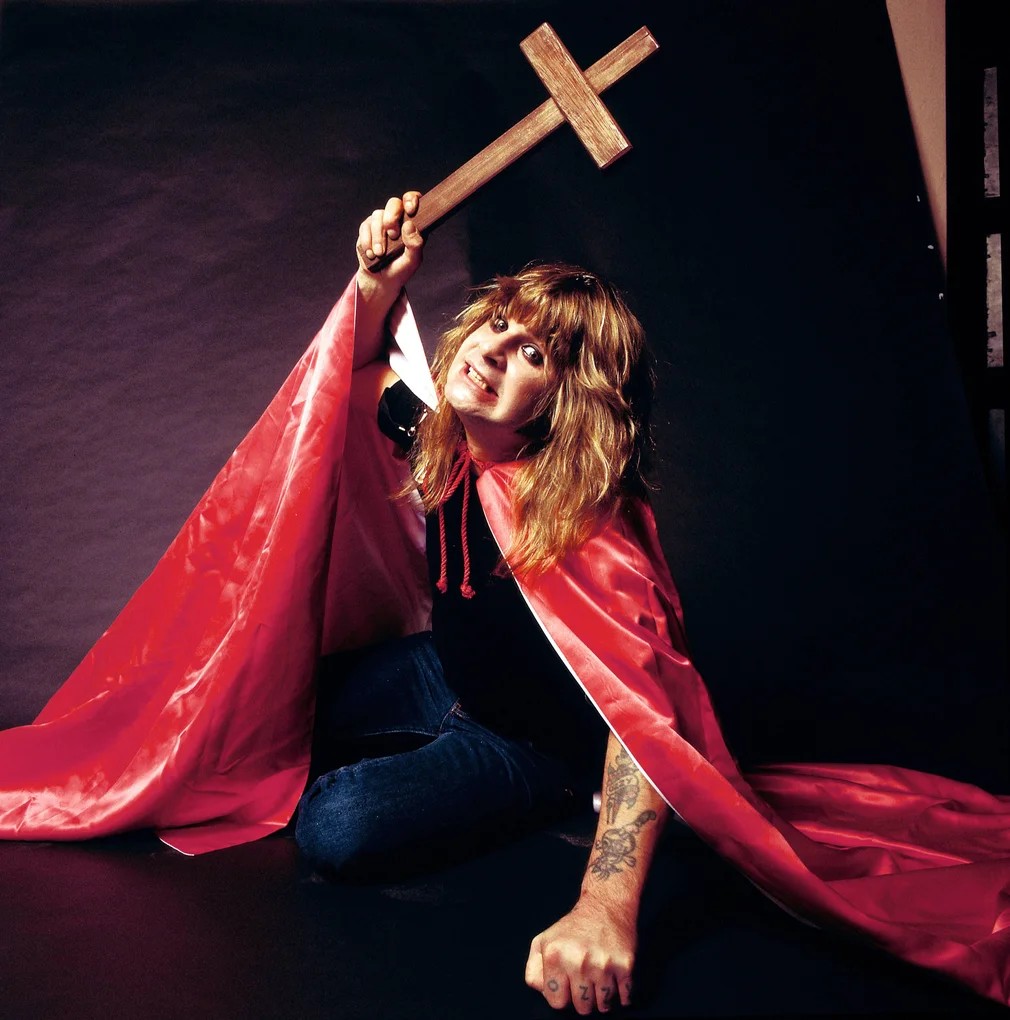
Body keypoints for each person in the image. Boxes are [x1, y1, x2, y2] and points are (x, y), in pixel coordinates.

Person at [294, 191, 666, 1014]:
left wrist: (604, 906)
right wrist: (377, 283)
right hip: (449, 673)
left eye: (533, 352)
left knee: (336, 827)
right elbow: (354, 372)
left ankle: (549, 798)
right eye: (500, 321)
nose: (494, 349)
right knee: (277, 702)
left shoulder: (587, 528)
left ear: (571, 402)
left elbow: (647, 722)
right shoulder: (444, 435)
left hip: (533, 745)